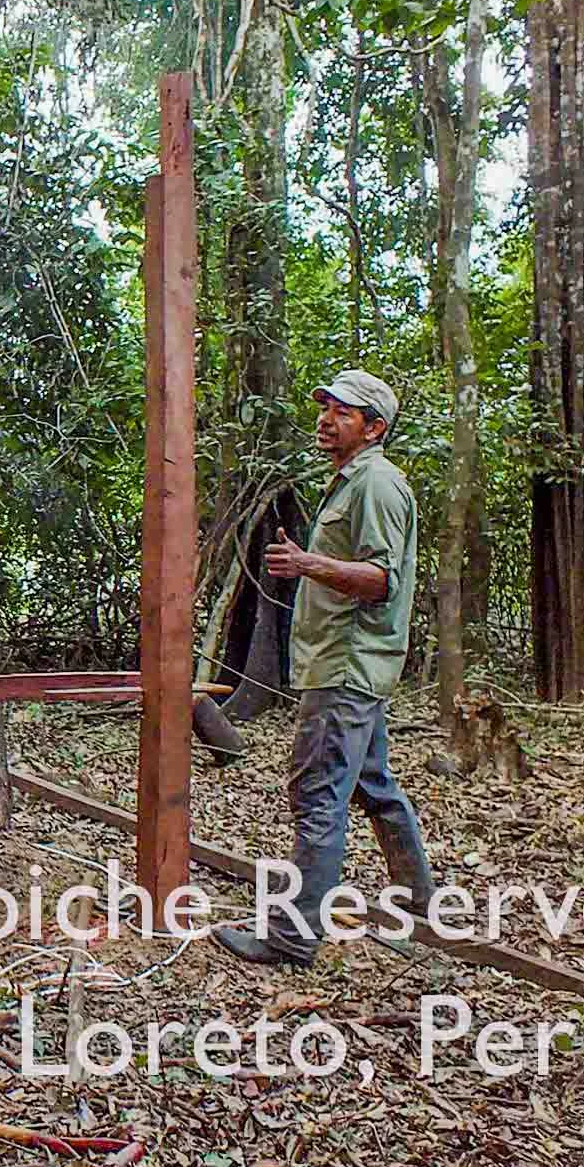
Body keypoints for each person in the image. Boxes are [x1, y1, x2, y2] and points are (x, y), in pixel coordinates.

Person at [214, 371, 435, 969]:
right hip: (347, 663)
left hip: (347, 663)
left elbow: (380, 580)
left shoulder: (377, 485)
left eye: (343, 412)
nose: (326, 419)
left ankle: (291, 937)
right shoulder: (352, 482)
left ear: (374, 428)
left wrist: (307, 563)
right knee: (371, 783)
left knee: (318, 794)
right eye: (326, 408)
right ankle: (420, 900)